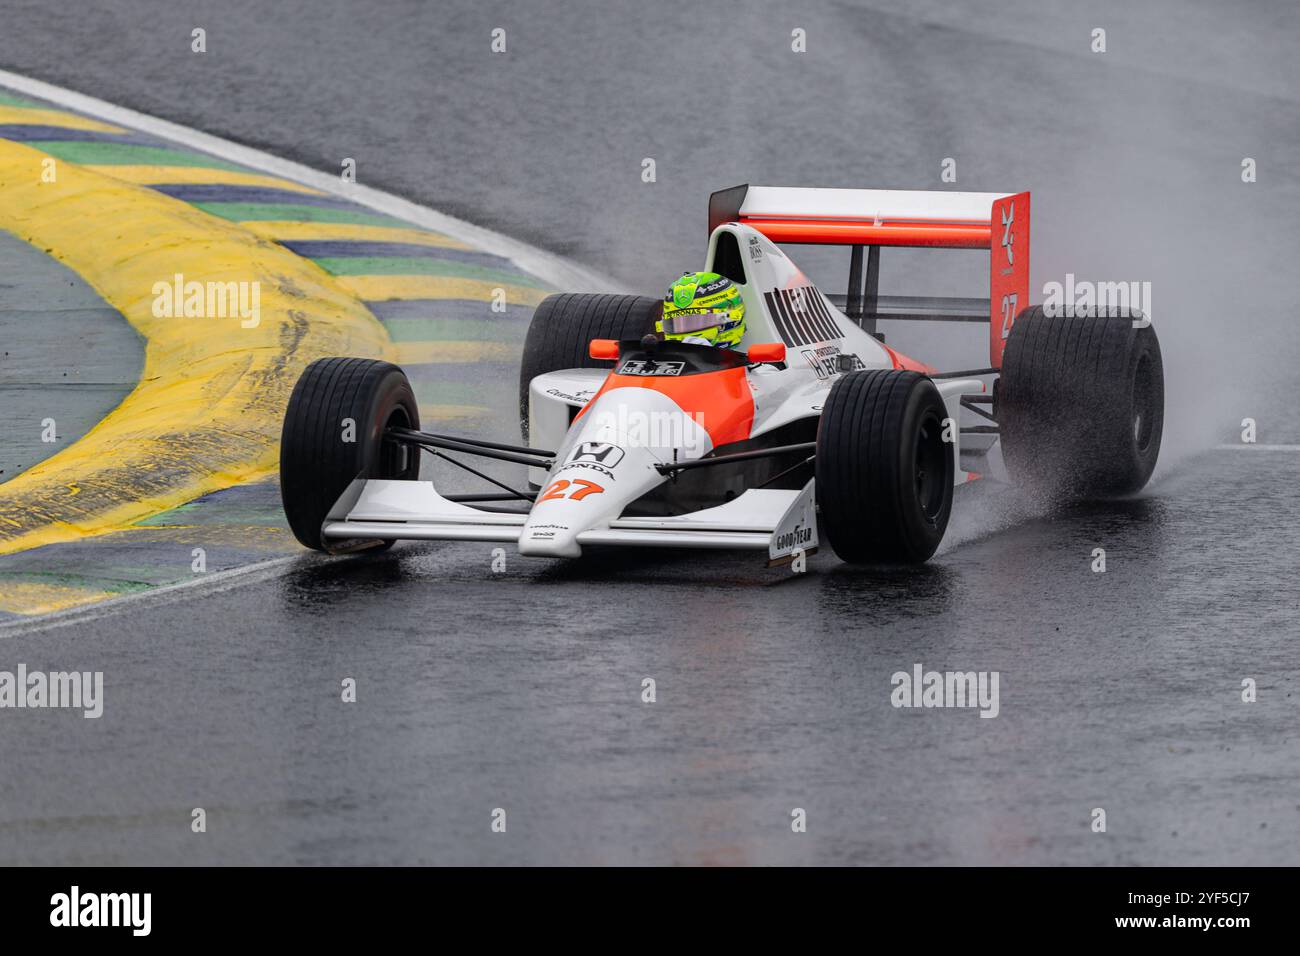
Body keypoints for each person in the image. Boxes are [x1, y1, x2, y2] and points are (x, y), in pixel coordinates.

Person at [657, 271, 746, 348]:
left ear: (731, 318)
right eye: (675, 325)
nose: (686, 338)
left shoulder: (757, 366)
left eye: (696, 322)